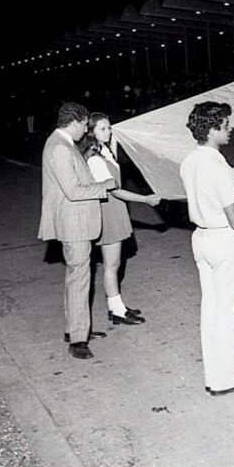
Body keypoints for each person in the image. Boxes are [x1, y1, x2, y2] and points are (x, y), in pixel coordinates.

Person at [180, 102, 234, 396]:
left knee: (211, 309)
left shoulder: (189, 162)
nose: (230, 132)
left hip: (201, 238)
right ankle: (228, 378)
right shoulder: (220, 167)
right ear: (213, 128)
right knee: (229, 313)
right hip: (224, 240)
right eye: (227, 126)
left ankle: (212, 375)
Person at [38, 102, 116, 360]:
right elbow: (72, 192)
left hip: (77, 223)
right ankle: (78, 340)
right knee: (79, 279)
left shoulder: (63, 144)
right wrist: (103, 185)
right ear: (75, 122)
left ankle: (76, 329)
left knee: (78, 278)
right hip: (74, 225)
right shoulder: (60, 148)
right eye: (85, 125)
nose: (86, 130)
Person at [78, 113, 162, 326]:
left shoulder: (104, 152)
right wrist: (146, 199)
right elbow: (115, 191)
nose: (109, 132)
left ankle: (118, 306)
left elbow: (114, 161)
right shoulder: (95, 160)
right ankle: (116, 311)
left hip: (115, 211)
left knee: (115, 264)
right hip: (109, 211)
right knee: (111, 265)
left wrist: (114, 137)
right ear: (91, 132)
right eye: (103, 129)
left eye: (110, 127)